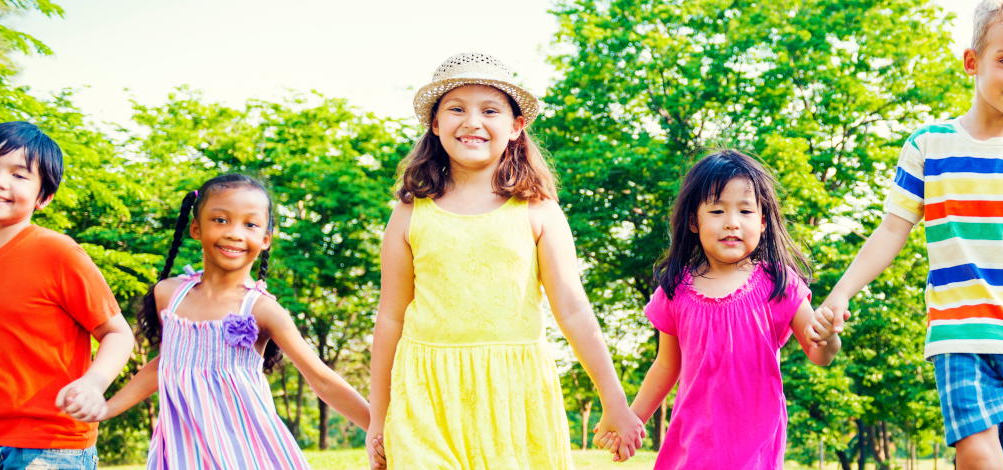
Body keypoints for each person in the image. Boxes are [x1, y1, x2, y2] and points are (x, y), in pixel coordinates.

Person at [815, 2, 1003, 468]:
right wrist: (841, 293)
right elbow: (891, 229)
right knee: (979, 457)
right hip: (960, 332)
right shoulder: (928, 145)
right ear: (972, 62)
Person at [367, 53, 646, 469]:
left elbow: (571, 308)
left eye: (490, 110)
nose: (472, 121)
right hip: (426, 391)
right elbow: (390, 316)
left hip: (515, 392)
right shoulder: (409, 213)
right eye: (456, 109)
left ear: (516, 126)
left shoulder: (538, 210)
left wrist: (614, 399)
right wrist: (378, 417)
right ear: (435, 123)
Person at [96, 174, 371, 469]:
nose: (235, 233)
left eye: (250, 224)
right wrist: (107, 407)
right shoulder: (168, 295)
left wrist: (382, 426)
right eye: (220, 220)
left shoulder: (263, 310)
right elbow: (167, 364)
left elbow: (322, 380)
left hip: (248, 453)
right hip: (183, 454)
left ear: (265, 239)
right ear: (196, 228)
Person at [613, 150, 843, 469]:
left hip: (755, 454)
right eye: (717, 210)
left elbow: (820, 354)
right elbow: (665, 366)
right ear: (694, 220)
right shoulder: (675, 289)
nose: (732, 223)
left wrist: (828, 336)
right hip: (690, 452)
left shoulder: (779, 283)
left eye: (745, 211)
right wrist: (631, 420)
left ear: (763, 221)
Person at [0, 121, 136, 469]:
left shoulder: (59, 254)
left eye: (20, 175)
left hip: (51, 445)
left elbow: (118, 333)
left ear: (44, 197)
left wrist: (94, 384)